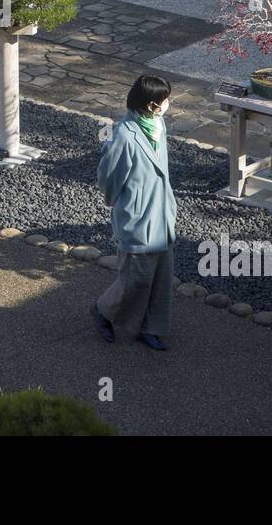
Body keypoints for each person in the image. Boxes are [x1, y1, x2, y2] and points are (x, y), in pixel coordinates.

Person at [94, 75, 180, 351]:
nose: (167, 104)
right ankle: (103, 310)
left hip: (162, 211)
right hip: (139, 215)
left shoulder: (158, 124)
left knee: (161, 276)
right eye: (163, 100)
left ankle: (150, 328)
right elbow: (109, 178)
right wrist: (119, 205)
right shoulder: (125, 135)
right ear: (152, 104)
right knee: (136, 278)